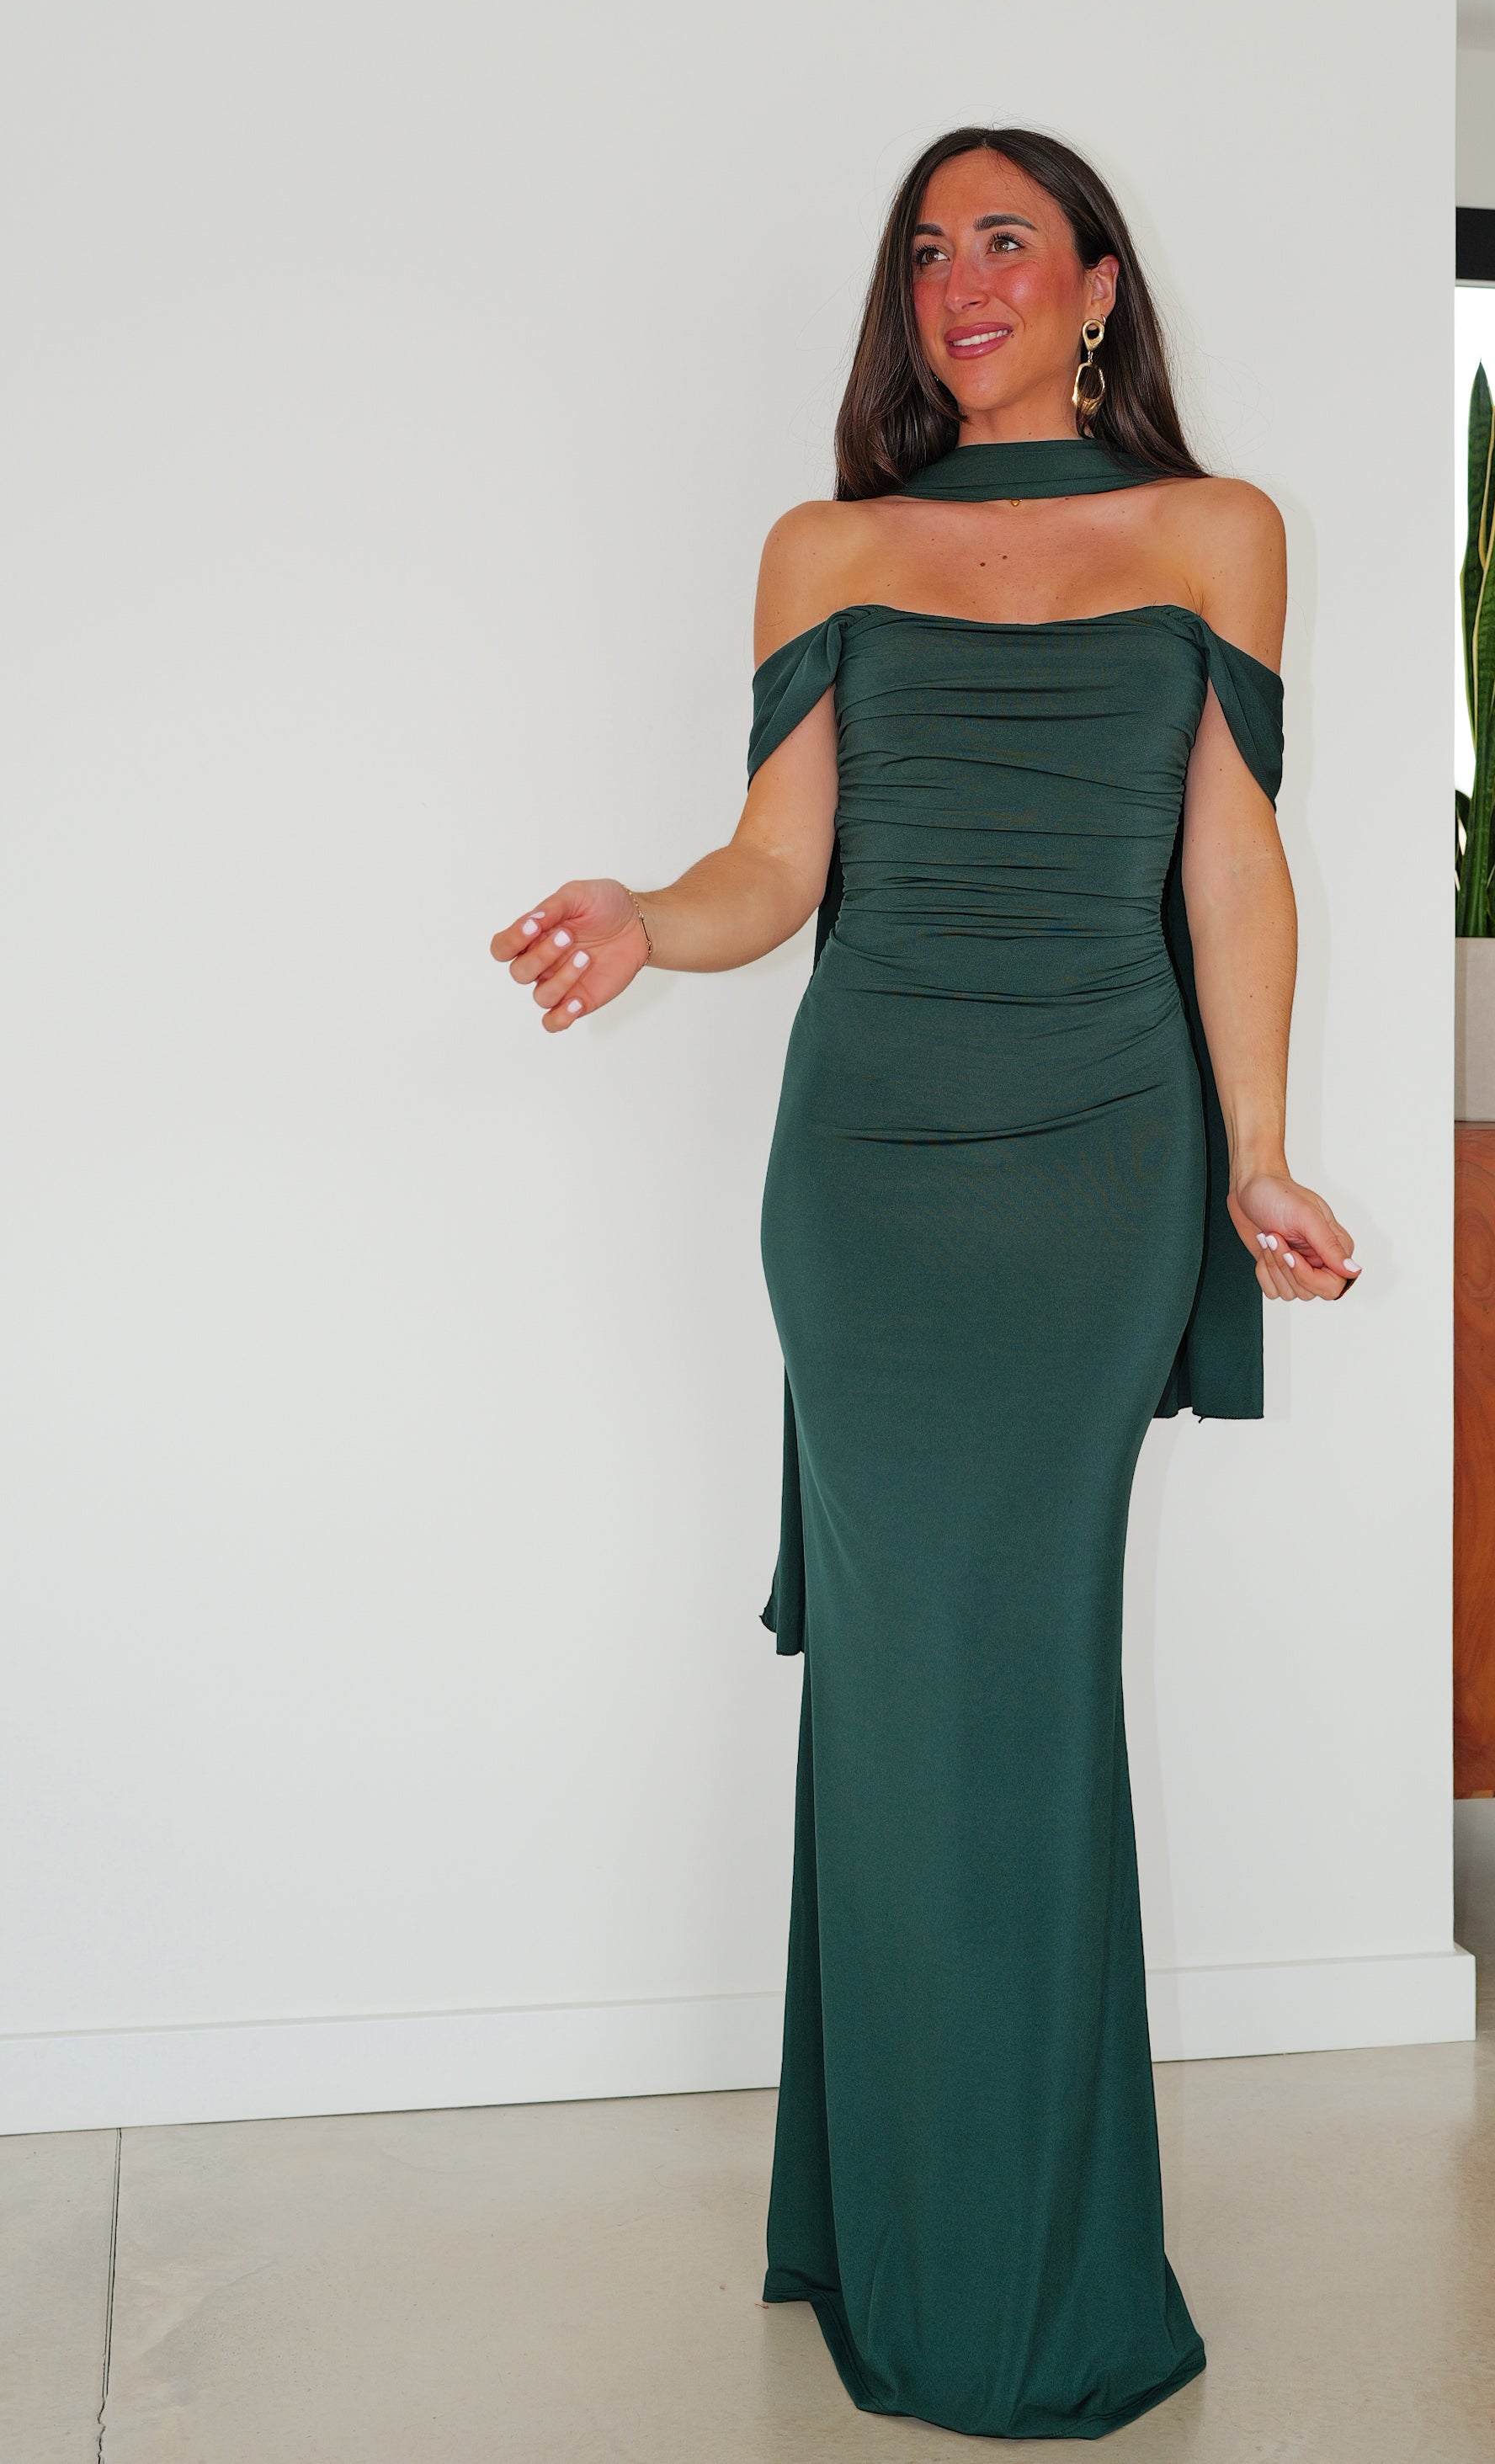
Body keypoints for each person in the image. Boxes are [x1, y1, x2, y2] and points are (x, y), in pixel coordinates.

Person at [491, 125, 1355, 2440]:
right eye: (926, 251)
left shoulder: (1216, 532)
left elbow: (1235, 867)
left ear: (1097, 286)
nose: (961, 281)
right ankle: (887, 2218)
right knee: (898, 1689)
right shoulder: (831, 548)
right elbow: (776, 867)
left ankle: (1005, 2262)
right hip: (866, 1175)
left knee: (1014, 1683)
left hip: (1099, 1163)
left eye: (1006, 241)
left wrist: (1259, 1148)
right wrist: (645, 917)